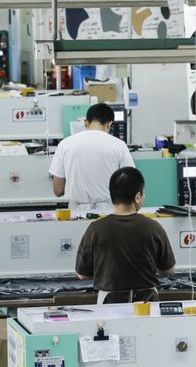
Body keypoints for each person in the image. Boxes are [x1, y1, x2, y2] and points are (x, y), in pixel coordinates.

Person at [75, 168, 176, 303]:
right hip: (147, 302)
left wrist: (105, 271)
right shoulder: (153, 227)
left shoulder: (96, 229)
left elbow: (82, 275)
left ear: (112, 195)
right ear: (137, 197)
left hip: (110, 302)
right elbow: (169, 270)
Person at [49, 103, 134, 212]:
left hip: (76, 212)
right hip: (109, 212)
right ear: (109, 124)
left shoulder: (65, 144)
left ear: (86, 122)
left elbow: (58, 190)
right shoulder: (119, 145)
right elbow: (129, 184)